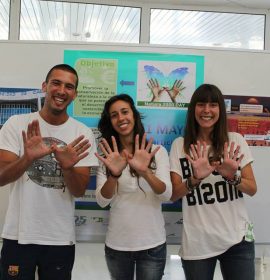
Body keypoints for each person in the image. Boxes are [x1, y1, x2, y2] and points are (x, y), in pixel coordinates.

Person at [0, 64, 98, 280]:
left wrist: (67, 166)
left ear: (75, 94)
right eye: (56, 83)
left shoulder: (82, 134)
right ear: (44, 86)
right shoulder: (16, 124)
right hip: (18, 235)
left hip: (59, 239)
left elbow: (79, 190)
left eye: (69, 86)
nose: (62, 90)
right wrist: (27, 158)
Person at [169, 84, 257, 280]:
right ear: (193, 109)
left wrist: (231, 177)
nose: (207, 110)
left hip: (237, 240)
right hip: (197, 242)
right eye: (201, 104)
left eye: (213, 105)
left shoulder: (235, 141)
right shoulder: (180, 146)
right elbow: (174, 194)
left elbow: (252, 188)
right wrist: (195, 178)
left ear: (220, 110)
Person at [95, 94, 172, 280]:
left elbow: (166, 195)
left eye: (124, 112)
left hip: (152, 245)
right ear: (110, 122)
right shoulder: (108, 156)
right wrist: (114, 174)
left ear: (134, 115)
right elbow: (102, 201)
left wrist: (145, 172)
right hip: (117, 245)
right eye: (114, 115)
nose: (121, 118)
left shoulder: (157, 152)